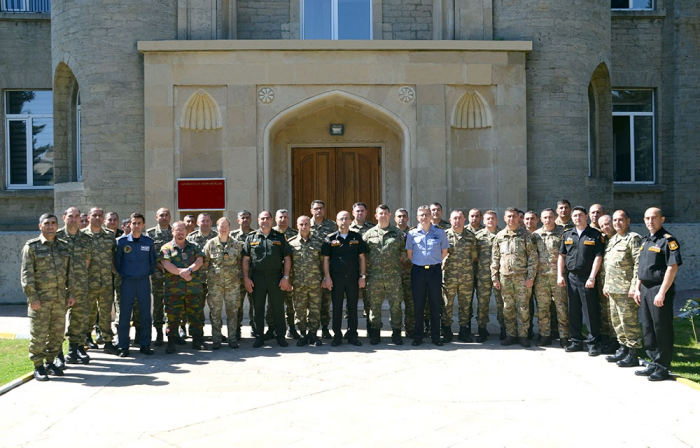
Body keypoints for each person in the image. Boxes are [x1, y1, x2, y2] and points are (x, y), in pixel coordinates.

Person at [21, 213, 75, 381]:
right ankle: (38, 365)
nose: (50, 226)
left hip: (60, 300)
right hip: (40, 301)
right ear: (40, 226)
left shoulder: (64, 246)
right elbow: (26, 275)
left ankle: (50, 362)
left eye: (53, 223)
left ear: (57, 226)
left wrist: (71, 293)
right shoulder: (32, 247)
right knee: (39, 334)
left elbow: (70, 273)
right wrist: (33, 298)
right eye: (47, 223)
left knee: (57, 334)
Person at [633, 207, 682, 382]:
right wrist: (638, 287)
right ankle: (653, 362)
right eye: (647, 218)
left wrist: (662, 292)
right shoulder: (646, 240)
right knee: (648, 328)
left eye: (654, 218)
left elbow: (672, 266)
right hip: (645, 289)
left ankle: (662, 367)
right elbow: (642, 267)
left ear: (662, 219)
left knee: (662, 328)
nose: (650, 221)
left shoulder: (667, 240)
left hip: (659, 289)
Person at [557, 206, 605, 356]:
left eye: (580, 215)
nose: (577, 218)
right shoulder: (567, 234)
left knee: (590, 311)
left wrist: (592, 277)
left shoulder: (595, 235)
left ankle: (593, 343)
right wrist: (560, 275)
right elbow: (562, 256)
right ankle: (576, 341)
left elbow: (598, 257)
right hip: (571, 277)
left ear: (586, 217)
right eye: (575, 216)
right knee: (573, 310)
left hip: (587, 278)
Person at [243, 211, 292, 348]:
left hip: (275, 276)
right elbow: (246, 259)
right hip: (257, 277)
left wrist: (286, 277)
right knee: (257, 308)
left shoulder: (280, 237)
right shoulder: (251, 237)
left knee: (278, 307)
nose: (265, 220)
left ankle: (280, 336)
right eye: (262, 218)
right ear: (258, 221)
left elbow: (287, 258)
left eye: (267, 218)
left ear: (271, 220)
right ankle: (259, 336)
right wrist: (246, 278)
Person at [491, 207, 538, 347]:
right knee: (508, 308)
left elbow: (533, 258)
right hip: (505, 278)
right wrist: (495, 277)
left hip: (522, 278)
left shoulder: (526, 235)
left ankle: (523, 335)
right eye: (509, 216)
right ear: (505, 218)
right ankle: (511, 335)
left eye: (514, 216)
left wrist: (531, 277)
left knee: (523, 308)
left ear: (519, 218)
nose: (511, 219)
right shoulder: (499, 236)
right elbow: (495, 259)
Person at [603, 210, 643, 368]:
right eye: (615, 220)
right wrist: (606, 284)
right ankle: (623, 347)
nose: (617, 223)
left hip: (626, 290)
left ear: (628, 221)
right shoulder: (613, 240)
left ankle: (633, 353)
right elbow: (609, 265)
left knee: (629, 322)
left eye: (620, 220)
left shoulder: (633, 238)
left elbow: (638, 265)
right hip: (613, 288)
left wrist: (635, 287)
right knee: (617, 321)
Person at [322, 210, 368, 347]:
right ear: (336, 221)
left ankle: (352, 334)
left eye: (346, 218)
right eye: (341, 219)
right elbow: (325, 260)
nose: (343, 221)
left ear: (350, 221)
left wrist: (362, 276)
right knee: (336, 307)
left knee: (353, 307)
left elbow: (362, 258)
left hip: (353, 278)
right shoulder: (330, 238)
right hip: (336, 278)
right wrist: (327, 278)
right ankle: (337, 335)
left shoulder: (356, 237)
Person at [406, 205, 449, 346]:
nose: (424, 217)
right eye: (421, 215)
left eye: (426, 214)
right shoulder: (412, 233)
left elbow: (444, 252)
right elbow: (410, 254)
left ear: (431, 216)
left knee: (435, 304)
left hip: (434, 271)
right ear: (417, 217)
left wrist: (433, 262)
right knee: (418, 304)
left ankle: (436, 336)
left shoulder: (440, 232)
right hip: (418, 271)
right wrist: (420, 263)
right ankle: (418, 335)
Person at [114, 213, 157, 357]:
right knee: (125, 316)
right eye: (134, 223)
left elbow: (153, 264)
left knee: (145, 316)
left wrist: (143, 274)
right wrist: (127, 274)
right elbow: (118, 263)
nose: (136, 226)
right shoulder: (122, 242)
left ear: (143, 225)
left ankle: (145, 345)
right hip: (128, 282)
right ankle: (124, 346)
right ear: (129, 225)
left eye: (139, 223)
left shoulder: (149, 242)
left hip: (143, 282)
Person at [363, 204, 406, 345]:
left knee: (395, 306)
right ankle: (375, 334)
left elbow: (404, 254)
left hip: (393, 277)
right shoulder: (368, 234)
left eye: (385, 213)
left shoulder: (398, 234)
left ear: (389, 215)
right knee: (374, 307)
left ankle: (396, 333)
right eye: (380, 213)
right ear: (376, 216)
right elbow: (363, 256)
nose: (383, 215)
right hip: (375, 277)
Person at [160, 221, 206, 353]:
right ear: (172, 232)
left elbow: (199, 261)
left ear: (186, 232)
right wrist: (183, 273)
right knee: (172, 317)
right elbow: (166, 264)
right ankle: (171, 342)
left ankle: (197, 341)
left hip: (193, 289)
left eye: (182, 230)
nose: (180, 233)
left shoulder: (194, 246)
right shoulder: (166, 247)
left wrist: (189, 270)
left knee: (196, 316)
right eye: (177, 230)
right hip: (173, 290)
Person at [57, 207, 93, 366]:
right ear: (64, 217)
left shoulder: (86, 239)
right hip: (58, 286)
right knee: (57, 321)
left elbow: (86, 263)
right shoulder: (56, 237)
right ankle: (56, 352)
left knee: (79, 318)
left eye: (76, 216)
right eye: (70, 216)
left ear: (80, 219)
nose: (73, 219)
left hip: (80, 284)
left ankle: (74, 350)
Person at [82, 207, 119, 355]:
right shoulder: (82, 235)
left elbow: (113, 257)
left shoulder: (109, 235)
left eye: (99, 215)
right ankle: (85, 339)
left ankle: (108, 342)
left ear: (103, 218)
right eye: (94, 215)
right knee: (88, 313)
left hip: (106, 282)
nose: (97, 217)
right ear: (89, 217)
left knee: (105, 313)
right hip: (89, 282)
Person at [203, 217, 245, 349]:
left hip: (233, 285)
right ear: (217, 227)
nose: (223, 229)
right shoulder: (210, 244)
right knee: (215, 312)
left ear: (230, 228)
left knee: (232, 312)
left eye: (226, 226)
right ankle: (216, 339)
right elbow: (206, 263)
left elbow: (240, 263)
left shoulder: (237, 245)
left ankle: (232, 338)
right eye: (221, 226)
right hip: (215, 285)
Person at [532, 208, 569, 347]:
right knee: (543, 309)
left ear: (555, 217)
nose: (548, 220)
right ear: (540, 220)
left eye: (550, 217)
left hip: (558, 276)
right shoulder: (535, 235)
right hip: (541, 278)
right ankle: (544, 335)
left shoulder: (563, 233)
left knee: (561, 307)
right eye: (545, 218)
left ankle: (564, 337)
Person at [441, 209, 477, 343]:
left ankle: (464, 331)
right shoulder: (444, 235)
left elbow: (474, 257)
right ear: (450, 220)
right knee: (446, 305)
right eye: (454, 218)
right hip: (448, 277)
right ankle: (446, 331)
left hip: (466, 277)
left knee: (465, 305)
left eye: (459, 218)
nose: (457, 221)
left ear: (464, 220)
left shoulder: (470, 236)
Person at [288, 215, 324, 347]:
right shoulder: (291, 243)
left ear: (310, 226)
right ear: (297, 226)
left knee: (315, 310)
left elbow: (323, 263)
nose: (304, 227)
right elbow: (288, 264)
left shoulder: (319, 242)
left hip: (315, 283)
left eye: (306, 224)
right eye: (301, 224)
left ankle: (313, 334)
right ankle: (303, 334)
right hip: (298, 284)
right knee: (300, 310)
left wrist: (325, 278)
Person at [186, 213, 218, 338]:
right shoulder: (191, 238)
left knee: (215, 308)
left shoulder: (217, 237)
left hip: (214, 280)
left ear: (211, 222)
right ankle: (197, 335)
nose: (205, 223)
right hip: (197, 280)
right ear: (197, 223)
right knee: (197, 308)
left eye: (207, 221)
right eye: (202, 221)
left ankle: (217, 334)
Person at [474, 210, 504, 341]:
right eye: (488, 219)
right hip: (483, 275)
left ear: (497, 220)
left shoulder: (503, 235)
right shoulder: (478, 236)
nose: (490, 221)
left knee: (502, 303)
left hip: (500, 275)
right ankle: (482, 329)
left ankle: (504, 329)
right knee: (483, 303)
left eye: (493, 218)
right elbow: (474, 257)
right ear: (484, 221)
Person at [310, 200, 337, 339]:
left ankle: (325, 327)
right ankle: (310, 329)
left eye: (321, 208)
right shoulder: (306, 224)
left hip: (328, 268)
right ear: (311, 211)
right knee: (312, 301)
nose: (318, 211)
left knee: (326, 300)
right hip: (310, 268)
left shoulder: (331, 225)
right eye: (316, 208)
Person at [147, 207, 173, 346]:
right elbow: (150, 255)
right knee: (158, 304)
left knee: (173, 304)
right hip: (158, 275)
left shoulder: (175, 232)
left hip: (174, 276)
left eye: (166, 214)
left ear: (170, 217)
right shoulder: (150, 234)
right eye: (161, 215)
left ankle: (172, 332)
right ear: (157, 217)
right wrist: (160, 266)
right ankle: (158, 333)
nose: (164, 217)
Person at [273, 208, 299, 339]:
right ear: (276, 219)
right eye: (280, 217)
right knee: (272, 304)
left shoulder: (295, 234)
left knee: (291, 304)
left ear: (289, 219)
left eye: (285, 217)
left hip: (290, 275)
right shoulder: (270, 233)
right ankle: (271, 329)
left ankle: (292, 328)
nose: (283, 219)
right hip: (273, 274)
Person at [232, 209, 256, 340]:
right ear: (238, 220)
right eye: (243, 217)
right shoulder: (232, 236)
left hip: (254, 276)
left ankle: (254, 327)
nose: (245, 220)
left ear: (251, 220)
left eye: (247, 217)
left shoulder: (256, 235)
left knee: (254, 304)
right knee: (237, 305)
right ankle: (236, 329)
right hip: (237, 277)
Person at [596, 213, 618, 354]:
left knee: (617, 315)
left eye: (607, 224)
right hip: (603, 283)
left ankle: (618, 342)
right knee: (606, 312)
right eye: (602, 225)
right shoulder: (603, 240)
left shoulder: (622, 239)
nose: (605, 227)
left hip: (618, 284)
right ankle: (607, 340)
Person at [394, 207, 415, 337]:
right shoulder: (391, 233)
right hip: (394, 274)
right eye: (399, 216)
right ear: (395, 218)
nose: (402, 219)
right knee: (395, 304)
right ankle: (396, 330)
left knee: (411, 303)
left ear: (408, 218)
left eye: (404, 216)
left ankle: (411, 330)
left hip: (410, 274)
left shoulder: (414, 233)